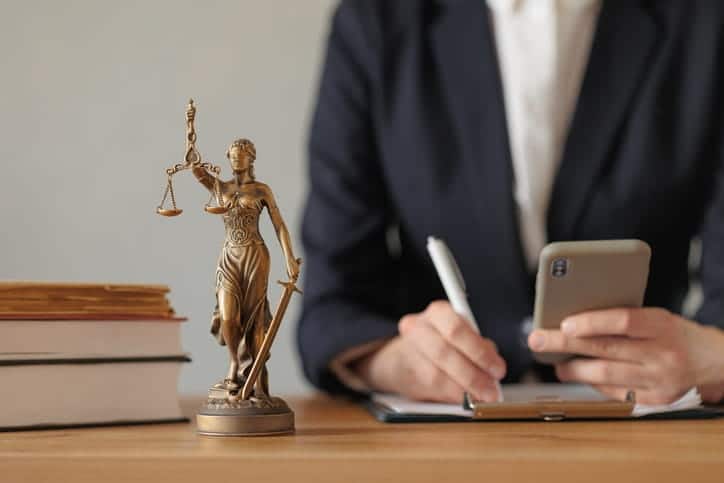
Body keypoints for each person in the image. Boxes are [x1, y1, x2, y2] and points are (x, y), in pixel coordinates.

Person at [297, 0, 724, 405]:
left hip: (650, 438)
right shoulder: (377, 21)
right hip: (439, 443)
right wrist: (394, 361)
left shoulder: (706, 21)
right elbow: (332, 306)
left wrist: (714, 361)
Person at [192, 138, 300, 399]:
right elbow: (196, 169)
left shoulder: (261, 190)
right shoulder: (221, 188)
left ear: (251, 158)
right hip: (229, 256)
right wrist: (190, 133)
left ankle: (255, 379)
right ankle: (233, 362)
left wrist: (289, 258)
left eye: (241, 155)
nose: (236, 159)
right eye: (232, 155)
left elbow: (279, 225)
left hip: (255, 255)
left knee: (254, 320)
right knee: (228, 317)